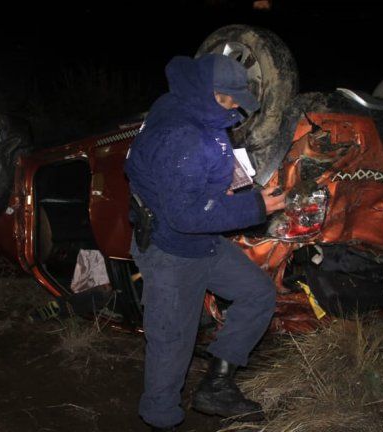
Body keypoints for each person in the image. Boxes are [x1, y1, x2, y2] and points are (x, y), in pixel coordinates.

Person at [124, 53, 287, 431]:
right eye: (229, 100)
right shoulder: (183, 135)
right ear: (208, 92)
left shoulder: (190, 108)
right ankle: (160, 417)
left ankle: (217, 385)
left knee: (257, 293)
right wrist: (256, 206)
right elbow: (185, 216)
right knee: (172, 343)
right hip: (172, 249)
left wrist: (227, 186)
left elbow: (188, 178)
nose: (235, 109)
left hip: (202, 242)